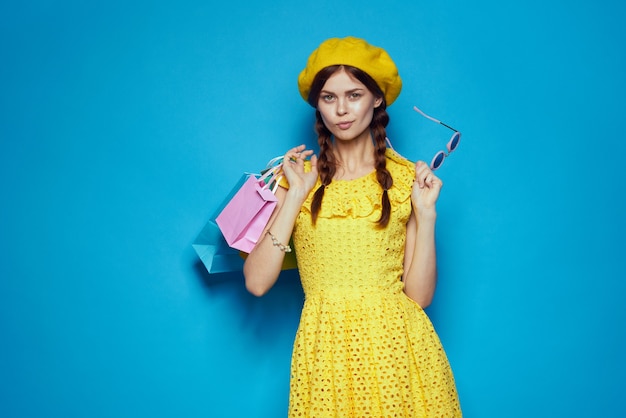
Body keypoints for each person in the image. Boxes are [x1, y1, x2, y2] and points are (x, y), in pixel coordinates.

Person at [243, 36, 462, 417]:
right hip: (326, 353)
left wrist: (425, 215)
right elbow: (257, 283)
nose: (341, 110)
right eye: (329, 97)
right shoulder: (296, 179)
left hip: (399, 351)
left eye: (354, 95)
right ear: (318, 105)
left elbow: (420, 297)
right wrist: (295, 197)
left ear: (377, 98)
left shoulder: (407, 179)